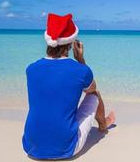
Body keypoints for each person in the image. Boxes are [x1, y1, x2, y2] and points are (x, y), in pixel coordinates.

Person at [22, 13, 115, 160]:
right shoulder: (80, 70)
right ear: (71, 43)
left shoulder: (31, 69)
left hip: (30, 146)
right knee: (94, 94)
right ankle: (103, 125)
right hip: (66, 148)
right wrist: (81, 60)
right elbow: (91, 89)